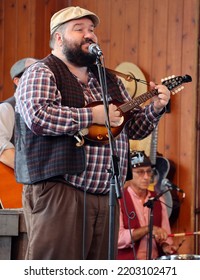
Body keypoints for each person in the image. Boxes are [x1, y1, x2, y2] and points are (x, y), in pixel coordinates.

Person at [14, 6, 171, 260]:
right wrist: (93, 116)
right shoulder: (42, 72)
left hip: (106, 195)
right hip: (61, 191)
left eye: (92, 30)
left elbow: (132, 128)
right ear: (58, 38)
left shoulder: (110, 80)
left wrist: (155, 108)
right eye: (79, 29)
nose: (90, 35)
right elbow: (38, 117)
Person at [117, 151, 177, 260]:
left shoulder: (158, 199)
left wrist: (165, 246)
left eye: (149, 172)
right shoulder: (119, 200)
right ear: (128, 174)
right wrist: (148, 229)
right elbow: (118, 239)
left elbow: (166, 235)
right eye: (140, 172)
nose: (146, 177)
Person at [0, 57, 38, 169]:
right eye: (34, 72)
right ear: (17, 81)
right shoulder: (6, 108)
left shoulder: (44, 110)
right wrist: (28, 171)